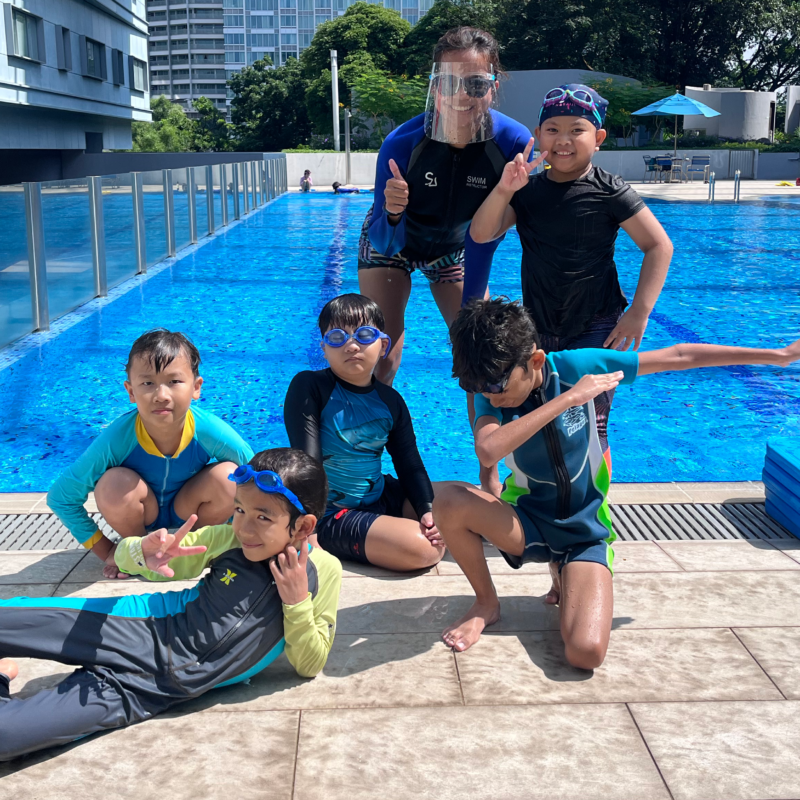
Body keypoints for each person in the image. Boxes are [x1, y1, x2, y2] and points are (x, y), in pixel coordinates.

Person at [435, 297, 800, 665]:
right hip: (526, 519)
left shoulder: (576, 368)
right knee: (448, 499)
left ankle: (568, 568)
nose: (487, 393)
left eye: (496, 383)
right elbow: (487, 449)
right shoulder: (492, 391)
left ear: (535, 361)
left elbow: (678, 356)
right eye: (474, 384)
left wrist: (779, 355)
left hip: (582, 529)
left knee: (584, 652)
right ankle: (486, 603)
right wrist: (568, 401)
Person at [0, 448, 342, 761]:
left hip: (144, 691)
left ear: (303, 526)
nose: (244, 527)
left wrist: (297, 602)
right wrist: (141, 553)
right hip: (132, 629)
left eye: (262, 517)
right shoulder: (225, 541)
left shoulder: (323, 573)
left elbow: (309, 664)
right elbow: (133, 558)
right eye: (239, 509)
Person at [358, 26, 544, 494]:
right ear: (434, 86)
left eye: (476, 84)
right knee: (383, 355)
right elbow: (382, 232)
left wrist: (472, 322)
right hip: (393, 244)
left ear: (493, 86)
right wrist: (396, 209)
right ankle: (366, 464)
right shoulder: (402, 145)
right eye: (450, 82)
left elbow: (491, 233)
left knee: (478, 351)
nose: (462, 95)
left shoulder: (512, 142)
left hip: (457, 248)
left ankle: (489, 467)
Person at [468, 84, 674, 463]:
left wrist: (639, 313)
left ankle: (596, 512)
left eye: (576, 130)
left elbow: (659, 246)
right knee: (537, 416)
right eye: (553, 129)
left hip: (597, 324)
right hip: (538, 326)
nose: (563, 140)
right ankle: (545, 499)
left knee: (592, 424)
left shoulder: (610, 191)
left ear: (597, 138)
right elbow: (481, 234)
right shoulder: (526, 191)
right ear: (538, 135)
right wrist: (503, 189)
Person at [47, 329, 253, 579]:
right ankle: (138, 552)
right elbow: (61, 497)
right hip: (142, 516)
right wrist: (109, 551)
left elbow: (261, 478)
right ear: (131, 391)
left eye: (174, 382)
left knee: (232, 477)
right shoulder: (117, 439)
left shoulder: (210, 431)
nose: (161, 396)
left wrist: (244, 534)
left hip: (190, 512)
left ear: (196, 387)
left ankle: (199, 546)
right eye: (147, 383)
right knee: (113, 484)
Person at [284, 294, 450, 572]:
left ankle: (393, 527)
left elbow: (409, 464)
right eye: (337, 337)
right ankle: (334, 538)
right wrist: (307, 527)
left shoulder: (391, 401)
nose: (351, 345)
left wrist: (427, 510)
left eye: (364, 335)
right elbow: (307, 464)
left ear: (383, 344)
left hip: (380, 495)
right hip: (331, 514)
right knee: (425, 549)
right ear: (324, 348)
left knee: (464, 499)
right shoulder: (310, 386)